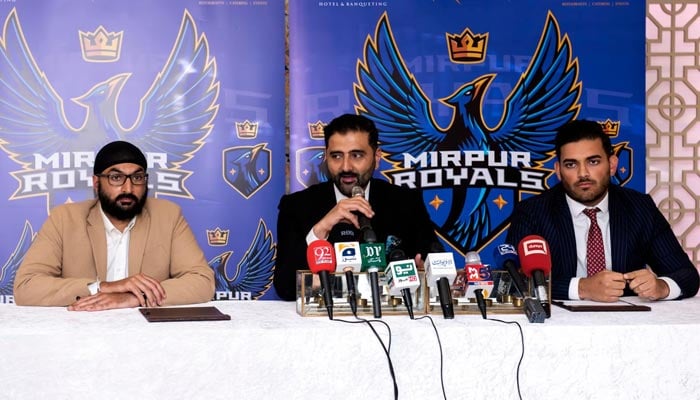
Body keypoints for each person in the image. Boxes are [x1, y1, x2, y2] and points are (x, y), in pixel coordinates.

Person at [507, 119, 699, 302]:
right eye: (571, 164)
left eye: (593, 162)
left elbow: (687, 275)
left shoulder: (640, 207)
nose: (583, 174)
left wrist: (661, 287)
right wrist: (582, 288)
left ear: (612, 165)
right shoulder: (532, 211)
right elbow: (512, 281)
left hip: (627, 327)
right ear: (558, 171)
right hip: (557, 327)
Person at [14, 141, 215, 310]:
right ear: (96, 182)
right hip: (81, 336)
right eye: (116, 177)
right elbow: (26, 287)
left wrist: (133, 297)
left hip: (147, 338)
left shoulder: (168, 216)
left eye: (137, 178)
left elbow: (202, 281)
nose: (128, 188)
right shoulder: (64, 218)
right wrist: (102, 287)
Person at [274, 114, 438, 301]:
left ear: (376, 157)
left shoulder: (405, 202)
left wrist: (426, 273)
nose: (346, 167)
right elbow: (285, 288)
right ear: (326, 156)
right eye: (336, 156)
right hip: (324, 324)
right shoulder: (296, 206)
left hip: (393, 320)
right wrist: (321, 229)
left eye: (357, 155)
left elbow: (430, 261)